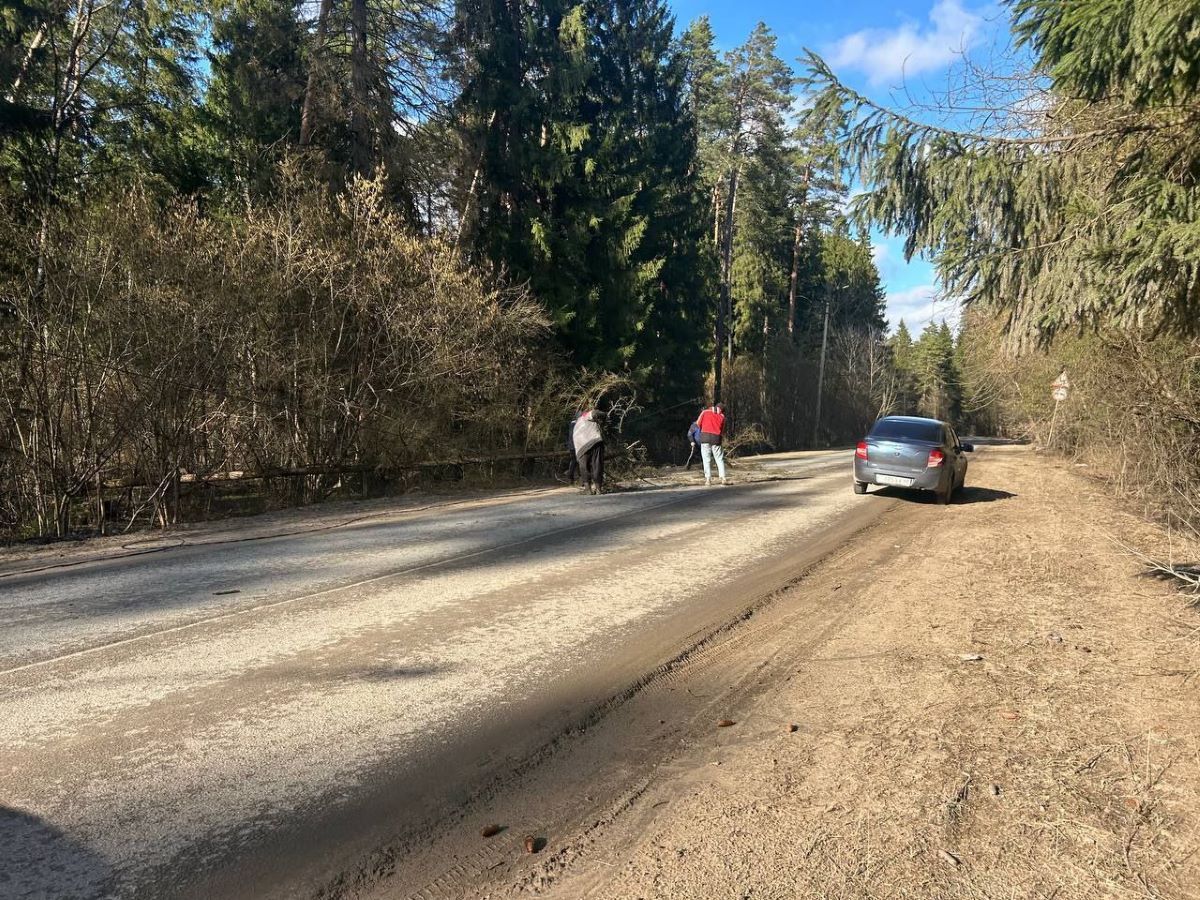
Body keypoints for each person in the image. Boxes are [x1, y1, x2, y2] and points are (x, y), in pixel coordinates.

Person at [573, 408, 605, 495]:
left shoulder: (575, 426)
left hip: (580, 448)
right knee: (597, 465)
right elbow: (596, 413)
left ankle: (588, 489)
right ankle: (598, 489)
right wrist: (605, 417)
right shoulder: (584, 416)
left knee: (584, 468)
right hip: (595, 441)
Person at [695, 402, 727, 486]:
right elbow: (722, 431)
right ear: (722, 410)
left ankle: (708, 479)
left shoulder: (705, 412)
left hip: (705, 437)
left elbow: (698, 423)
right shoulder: (722, 417)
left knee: (706, 459)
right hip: (716, 439)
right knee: (719, 459)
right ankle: (723, 478)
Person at [565, 413, 580, 484]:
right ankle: (572, 477)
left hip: (572, 445)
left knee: (574, 461)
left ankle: (571, 477)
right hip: (576, 445)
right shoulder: (576, 424)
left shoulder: (571, 424)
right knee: (578, 461)